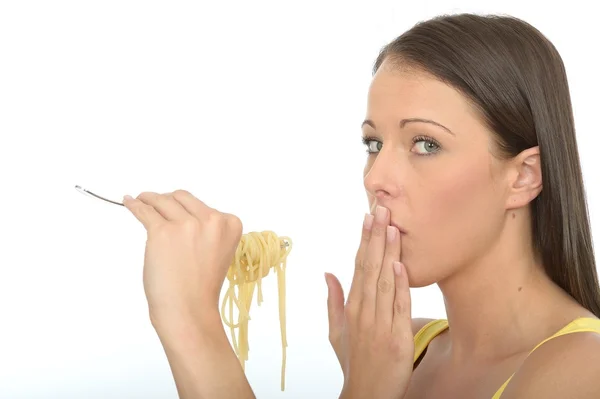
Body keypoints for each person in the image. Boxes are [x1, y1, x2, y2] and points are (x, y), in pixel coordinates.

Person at [121, 12, 600, 399]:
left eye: (426, 144)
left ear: (523, 177)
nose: (375, 179)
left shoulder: (582, 370)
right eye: (374, 144)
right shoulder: (402, 348)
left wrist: (190, 321)